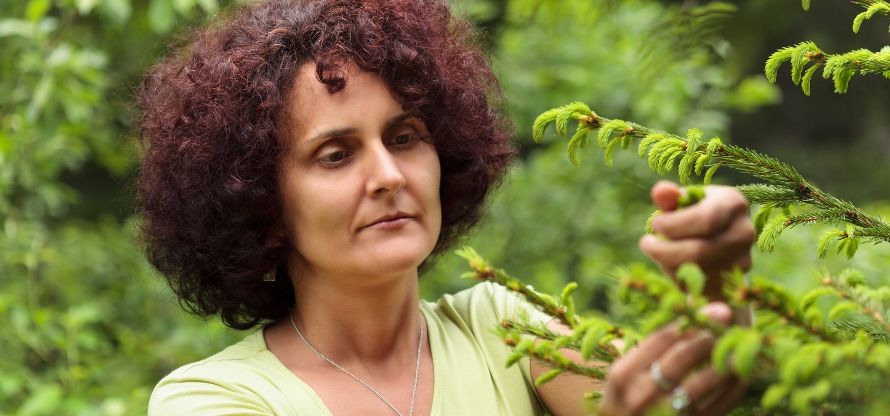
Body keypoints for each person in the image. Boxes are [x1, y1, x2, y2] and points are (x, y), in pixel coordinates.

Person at [138, 0, 754, 415]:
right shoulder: (214, 398)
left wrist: (718, 291)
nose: (387, 175)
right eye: (335, 154)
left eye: (404, 138)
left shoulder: (502, 326)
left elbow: (661, 398)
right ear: (262, 204)